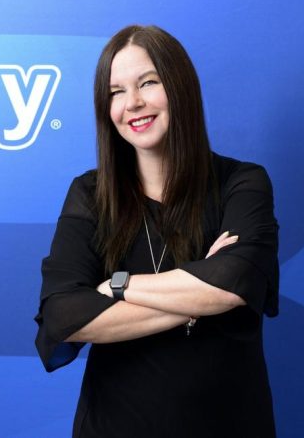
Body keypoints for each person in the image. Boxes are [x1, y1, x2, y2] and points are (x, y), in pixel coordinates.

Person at [34, 25, 279, 438]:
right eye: (116, 92)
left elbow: (236, 280)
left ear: (180, 86)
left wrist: (117, 287)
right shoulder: (90, 194)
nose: (132, 103)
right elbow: (62, 316)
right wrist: (200, 294)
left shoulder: (242, 182)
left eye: (148, 82)